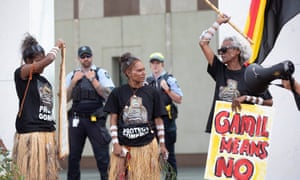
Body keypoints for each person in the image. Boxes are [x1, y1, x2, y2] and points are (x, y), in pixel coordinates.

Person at [198, 14, 273, 133]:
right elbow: (203, 43)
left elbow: (269, 102)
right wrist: (217, 23)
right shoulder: (219, 70)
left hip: (242, 134)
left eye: (224, 50)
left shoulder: (251, 75)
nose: (221, 53)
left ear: (237, 51)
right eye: (220, 50)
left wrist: (247, 98)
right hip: (220, 131)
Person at [103, 52, 168, 179]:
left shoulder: (152, 92)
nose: (143, 73)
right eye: (139, 70)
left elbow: (158, 119)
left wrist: (162, 144)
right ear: (128, 72)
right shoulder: (117, 93)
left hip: (147, 145)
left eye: (144, 70)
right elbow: (113, 120)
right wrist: (115, 143)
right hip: (124, 146)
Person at [13, 33, 64, 179]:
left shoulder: (44, 81)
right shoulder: (21, 73)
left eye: (42, 60)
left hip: (46, 133)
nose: (42, 64)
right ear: (27, 61)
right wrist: (56, 46)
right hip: (31, 134)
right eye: (37, 61)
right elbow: (49, 59)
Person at [66, 45, 115, 180]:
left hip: (95, 121)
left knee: (102, 157)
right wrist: (74, 82)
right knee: (73, 157)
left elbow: (109, 96)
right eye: (82, 56)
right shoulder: (72, 75)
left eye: (88, 56)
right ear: (78, 59)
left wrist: (94, 80)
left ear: (92, 57)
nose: (85, 59)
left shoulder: (100, 73)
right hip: (76, 121)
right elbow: (64, 98)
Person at [146, 52, 183, 179]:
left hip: (167, 122)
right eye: (153, 63)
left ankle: (171, 177)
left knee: (168, 154)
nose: (155, 66)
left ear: (162, 64)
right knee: (151, 154)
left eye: (158, 63)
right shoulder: (147, 81)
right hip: (152, 123)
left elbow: (179, 99)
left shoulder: (169, 79)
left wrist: (167, 90)